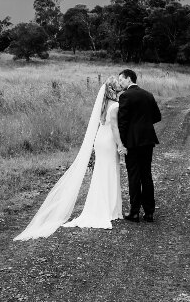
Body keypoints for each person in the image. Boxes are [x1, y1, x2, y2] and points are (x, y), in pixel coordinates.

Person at [13, 76, 127, 241]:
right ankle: (109, 209)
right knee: (110, 171)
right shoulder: (115, 106)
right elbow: (115, 128)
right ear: (115, 90)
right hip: (109, 141)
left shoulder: (103, 104)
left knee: (101, 172)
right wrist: (120, 145)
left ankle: (103, 206)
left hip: (99, 140)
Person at [117, 69, 162, 223]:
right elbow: (157, 116)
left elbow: (122, 123)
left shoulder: (125, 96)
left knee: (134, 176)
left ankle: (134, 212)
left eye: (121, 80)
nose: (120, 83)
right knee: (146, 175)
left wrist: (122, 143)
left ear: (129, 79)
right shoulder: (148, 95)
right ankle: (149, 213)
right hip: (148, 140)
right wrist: (144, 125)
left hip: (132, 142)